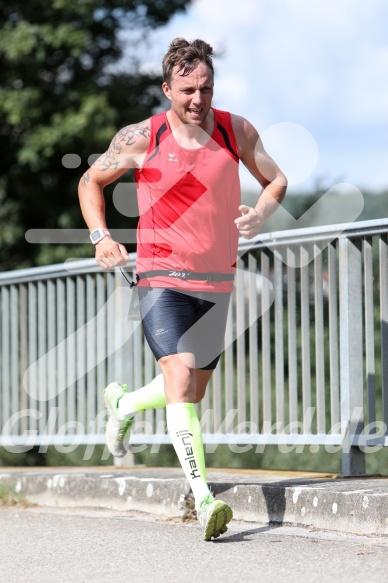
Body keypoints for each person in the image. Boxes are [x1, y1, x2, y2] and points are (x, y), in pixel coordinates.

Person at [78, 38, 287, 541]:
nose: (198, 98)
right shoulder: (141, 136)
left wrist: (259, 213)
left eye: (206, 88)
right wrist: (101, 237)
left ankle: (124, 405)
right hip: (160, 277)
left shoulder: (234, 129)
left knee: (188, 390)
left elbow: (276, 180)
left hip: (217, 281)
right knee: (180, 373)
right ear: (167, 88)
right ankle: (205, 497)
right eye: (188, 90)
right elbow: (90, 182)